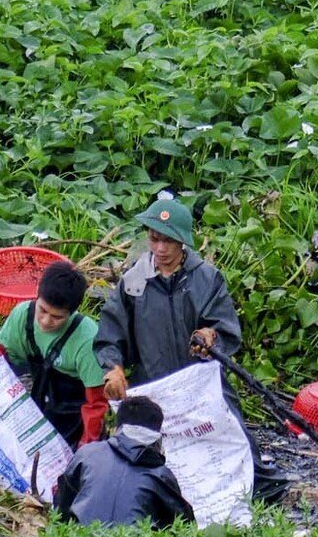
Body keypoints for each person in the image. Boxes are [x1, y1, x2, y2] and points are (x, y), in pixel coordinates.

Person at [94, 196, 281, 499]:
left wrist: (211, 336)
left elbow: (226, 329)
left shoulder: (206, 278)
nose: (161, 249)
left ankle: (253, 491)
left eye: (169, 241)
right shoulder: (133, 281)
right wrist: (112, 368)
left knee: (240, 448)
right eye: (155, 239)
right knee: (135, 457)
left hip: (201, 385)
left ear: (183, 243)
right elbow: (110, 334)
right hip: (153, 384)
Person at [0, 260, 106, 448]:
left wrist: (86, 447)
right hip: (36, 397)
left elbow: (96, 402)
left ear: (72, 312)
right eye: (42, 310)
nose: (46, 321)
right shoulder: (22, 316)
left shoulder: (87, 339)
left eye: (57, 317)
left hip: (72, 410)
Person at [53, 397, 194, 529]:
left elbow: (61, 508)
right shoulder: (161, 475)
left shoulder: (86, 454)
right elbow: (186, 528)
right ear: (157, 436)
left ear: (117, 427)